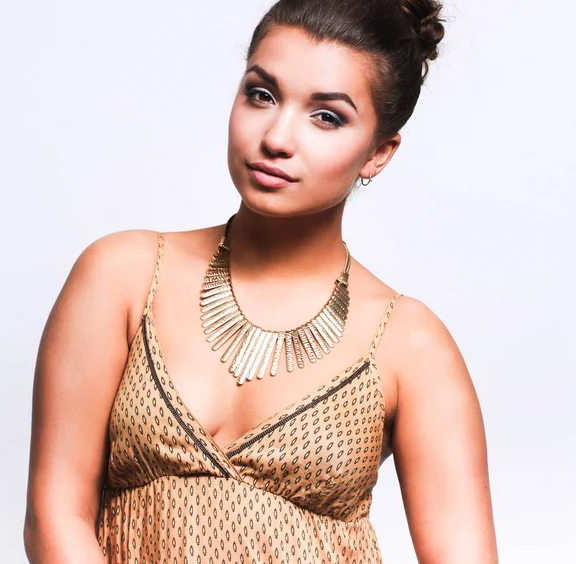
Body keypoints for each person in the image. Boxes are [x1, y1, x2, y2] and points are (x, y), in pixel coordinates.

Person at [24, 0, 498, 562]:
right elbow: (55, 514)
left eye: (327, 116)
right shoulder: (123, 276)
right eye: (261, 94)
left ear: (378, 152)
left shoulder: (410, 345)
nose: (276, 137)